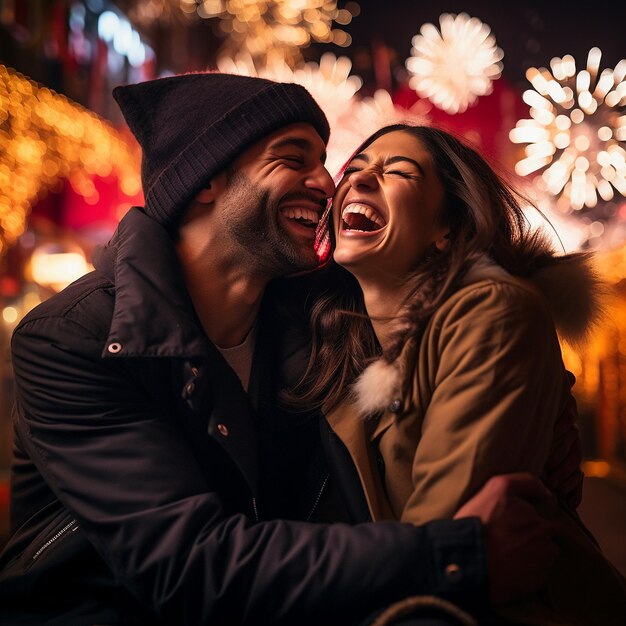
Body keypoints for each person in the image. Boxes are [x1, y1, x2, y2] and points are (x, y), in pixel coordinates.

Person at [0, 74, 576, 626]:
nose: (329, 182)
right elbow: (189, 568)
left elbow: (453, 316)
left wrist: (546, 407)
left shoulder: (319, 319)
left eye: (325, 162)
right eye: (293, 158)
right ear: (206, 179)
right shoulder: (73, 338)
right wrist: (451, 555)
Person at [292, 124, 626, 625]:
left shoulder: (491, 310)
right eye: (355, 170)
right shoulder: (348, 355)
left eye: (397, 171)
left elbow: (449, 542)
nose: (358, 181)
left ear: (446, 228)